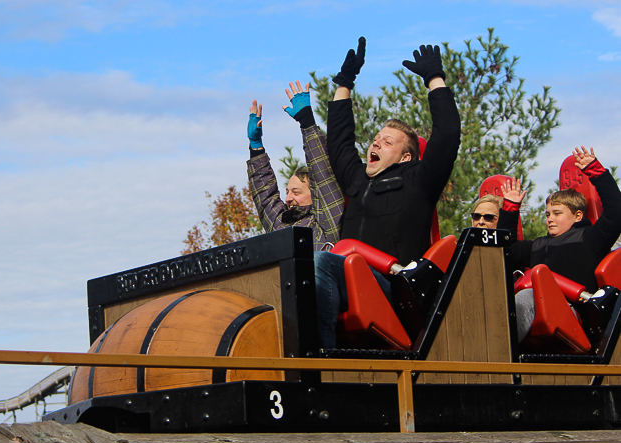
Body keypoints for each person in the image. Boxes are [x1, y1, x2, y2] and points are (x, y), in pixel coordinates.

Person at [314, 38, 462, 349]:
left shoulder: (419, 181)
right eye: (377, 138)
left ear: (406, 157)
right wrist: (344, 83)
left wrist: (435, 79)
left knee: (321, 263)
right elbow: (339, 142)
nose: (376, 144)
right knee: (297, 272)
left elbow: (447, 135)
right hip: (349, 281)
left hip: (395, 288)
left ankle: (319, 364)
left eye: (388, 141)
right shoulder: (358, 178)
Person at [498, 146, 621, 341]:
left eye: (557, 213)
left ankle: (501, 352)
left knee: (527, 297)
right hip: (536, 310)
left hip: (574, 314)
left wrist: (596, 172)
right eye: (547, 214)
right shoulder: (538, 245)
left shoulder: (590, 238)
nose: (549, 219)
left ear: (578, 216)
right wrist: (511, 209)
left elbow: (616, 213)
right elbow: (507, 248)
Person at [246, 81, 345, 252]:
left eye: (296, 192)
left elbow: (322, 174)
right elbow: (265, 197)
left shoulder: (327, 223)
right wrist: (256, 146)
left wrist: (307, 122)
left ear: (315, 195)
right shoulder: (281, 225)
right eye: (288, 192)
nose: (289, 198)